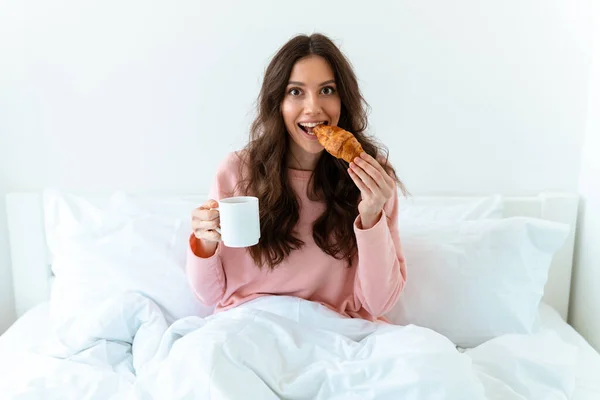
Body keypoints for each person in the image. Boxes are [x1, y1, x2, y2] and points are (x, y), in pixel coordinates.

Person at [187, 33, 407, 322]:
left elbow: (380, 303)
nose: (313, 107)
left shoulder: (371, 177)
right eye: (296, 92)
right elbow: (208, 295)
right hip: (248, 326)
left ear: (344, 98)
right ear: (277, 101)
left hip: (340, 335)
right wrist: (204, 242)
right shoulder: (237, 172)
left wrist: (371, 217)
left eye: (327, 90)